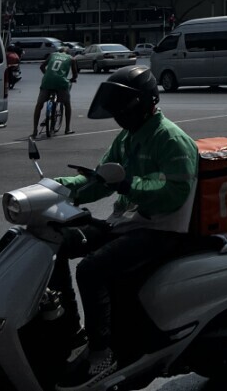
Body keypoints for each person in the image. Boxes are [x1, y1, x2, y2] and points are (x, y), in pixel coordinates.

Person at [53, 67, 200, 391]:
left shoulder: (170, 139)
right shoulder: (127, 138)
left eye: (124, 106)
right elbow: (100, 180)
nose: (119, 114)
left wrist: (129, 184)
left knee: (91, 270)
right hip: (128, 223)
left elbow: (174, 192)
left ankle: (102, 354)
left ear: (143, 103)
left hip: (161, 228)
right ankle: (71, 334)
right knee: (54, 242)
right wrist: (58, 188)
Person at [33, 45, 78, 137]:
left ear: (59, 52)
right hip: (61, 83)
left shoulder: (52, 55)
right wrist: (72, 79)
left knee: (39, 105)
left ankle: (34, 130)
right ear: (68, 53)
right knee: (67, 104)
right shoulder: (71, 59)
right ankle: (67, 128)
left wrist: (47, 75)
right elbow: (75, 75)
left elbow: (42, 67)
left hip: (47, 82)